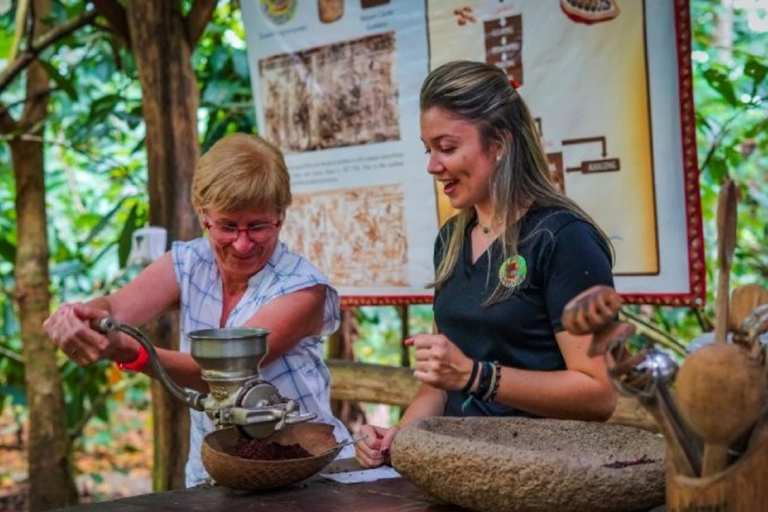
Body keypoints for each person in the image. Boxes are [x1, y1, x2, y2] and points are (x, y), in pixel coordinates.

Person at [43, 133, 353, 486]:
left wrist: (138, 355)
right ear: (203, 215)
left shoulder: (303, 289)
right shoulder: (190, 262)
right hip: (217, 476)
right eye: (227, 226)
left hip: (306, 475)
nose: (242, 243)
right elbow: (115, 307)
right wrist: (80, 317)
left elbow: (219, 374)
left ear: (280, 217)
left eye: (257, 226)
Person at [356, 60, 617, 468]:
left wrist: (478, 377)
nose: (432, 166)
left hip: (545, 471)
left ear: (499, 143)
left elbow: (598, 393)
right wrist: (397, 439)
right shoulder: (452, 238)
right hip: (462, 465)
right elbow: (437, 388)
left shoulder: (563, 238)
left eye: (447, 148)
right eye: (429, 150)